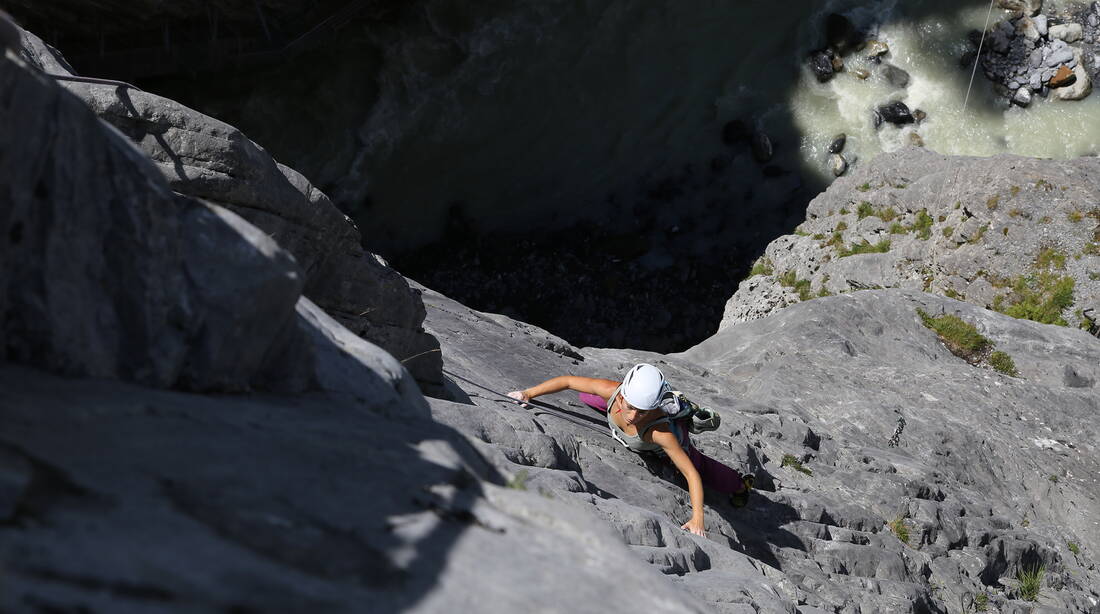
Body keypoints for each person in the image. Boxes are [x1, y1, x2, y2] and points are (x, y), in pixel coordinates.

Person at [508, 363, 752, 537]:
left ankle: (741, 485)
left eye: (642, 411)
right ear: (623, 394)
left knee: (700, 464)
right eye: (630, 406)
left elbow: (691, 474)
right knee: (586, 395)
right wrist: (528, 393)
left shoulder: (660, 433)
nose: (634, 416)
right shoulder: (614, 392)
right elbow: (568, 381)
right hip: (621, 407)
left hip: (667, 441)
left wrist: (698, 517)